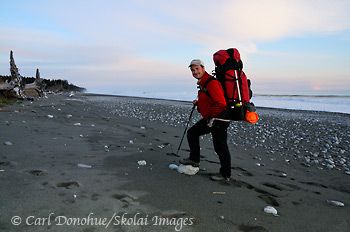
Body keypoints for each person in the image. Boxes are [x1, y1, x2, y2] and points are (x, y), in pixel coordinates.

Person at [180, 59, 231, 181]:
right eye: (192, 70)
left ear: (203, 68)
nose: (195, 72)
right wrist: (199, 103)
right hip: (213, 117)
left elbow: (221, 103)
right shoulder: (204, 82)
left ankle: (225, 175)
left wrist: (208, 114)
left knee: (220, 146)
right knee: (192, 133)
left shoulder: (211, 83)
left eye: (197, 69)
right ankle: (194, 160)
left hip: (220, 119)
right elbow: (210, 99)